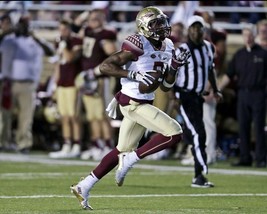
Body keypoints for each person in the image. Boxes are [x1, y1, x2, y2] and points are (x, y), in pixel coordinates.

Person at [70, 6, 190, 210]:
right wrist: (132, 75)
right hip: (132, 103)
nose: (161, 27)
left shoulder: (168, 45)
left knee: (121, 149)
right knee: (174, 133)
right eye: (155, 24)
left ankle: (83, 186)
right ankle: (130, 159)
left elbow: (165, 86)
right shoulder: (137, 43)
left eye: (162, 22)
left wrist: (176, 66)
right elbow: (105, 66)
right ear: (144, 27)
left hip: (144, 102)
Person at [174, 15, 222, 187]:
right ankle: (201, 171)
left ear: (204, 30)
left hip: (198, 97)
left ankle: (198, 176)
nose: (196, 31)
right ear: (188, 30)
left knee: (196, 133)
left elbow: (210, 70)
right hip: (184, 95)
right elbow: (172, 73)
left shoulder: (209, 48)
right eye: (193, 27)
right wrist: (174, 96)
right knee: (198, 133)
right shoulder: (182, 50)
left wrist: (215, 89)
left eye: (199, 27)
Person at [0, 15, 54, 153]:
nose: (21, 28)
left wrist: (34, 37)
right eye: (20, 25)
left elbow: (50, 51)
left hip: (27, 84)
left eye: (25, 25)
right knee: (3, 115)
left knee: (26, 117)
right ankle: (3, 142)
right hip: (7, 83)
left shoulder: (34, 41)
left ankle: (23, 144)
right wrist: (8, 30)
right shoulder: (8, 39)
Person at [219, 25, 267, 168]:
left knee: (258, 127)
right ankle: (245, 158)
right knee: (243, 127)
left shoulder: (263, 54)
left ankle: (260, 158)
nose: (248, 37)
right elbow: (229, 74)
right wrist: (218, 90)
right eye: (245, 35)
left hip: (258, 93)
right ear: (243, 36)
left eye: (250, 34)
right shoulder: (239, 54)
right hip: (243, 94)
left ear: (254, 35)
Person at [75, 9, 118, 161]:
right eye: (91, 17)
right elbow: (75, 28)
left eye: (96, 17)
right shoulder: (87, 31)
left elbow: (114, 54)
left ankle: (107, 145)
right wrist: (85, 15)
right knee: (92, 115)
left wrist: (97, 69)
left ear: (103, 18)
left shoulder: (107, 33)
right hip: (87, 78)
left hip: (101, 78)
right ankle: (97, 144)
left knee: (102, 115)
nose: (93, 20)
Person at [48, 19, 83, 159]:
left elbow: (69, 58)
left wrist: (64, 45)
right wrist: (54, 84)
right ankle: (67, 144)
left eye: (64, 29)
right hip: (62, 83)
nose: (62, 32)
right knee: (64, 117)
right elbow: (58, 64)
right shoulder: (59, 41)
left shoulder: (75, 41)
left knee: (74, 116)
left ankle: (77, 145)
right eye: (60, 29)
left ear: (70, 29)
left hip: (73, 83)